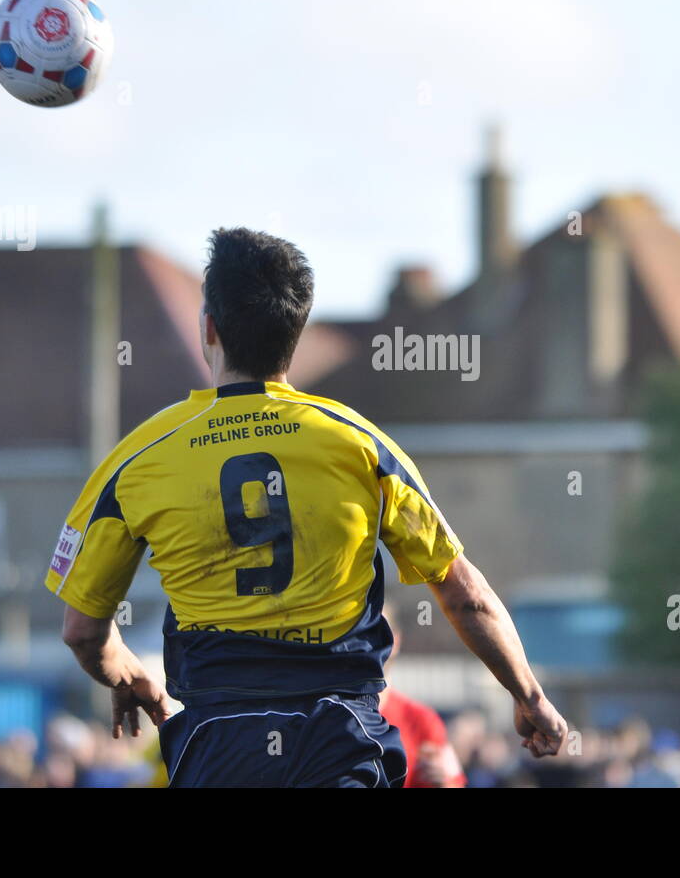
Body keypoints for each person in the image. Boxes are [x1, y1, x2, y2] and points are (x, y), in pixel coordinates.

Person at [45, 227, 567, 787]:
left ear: (210, 327)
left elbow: (82, 631)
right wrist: (528, 695)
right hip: (338, 738)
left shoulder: (140, 457)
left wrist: (129, 677)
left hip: (219, 742)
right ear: (295, 334)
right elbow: (465, 597)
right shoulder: (361, 446)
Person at [378, 602, 466, 787]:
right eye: (361, 631)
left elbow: (453, 782)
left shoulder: (421, 720)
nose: (368, 641)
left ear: (396, 639)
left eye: (379, 629)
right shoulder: (323, 713)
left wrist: (445, 783)